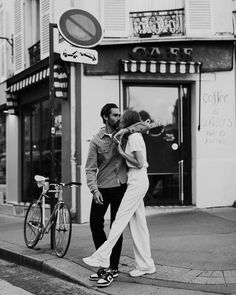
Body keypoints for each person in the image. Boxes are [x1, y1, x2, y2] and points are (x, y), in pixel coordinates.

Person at [85, 104, 155, 287]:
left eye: (120, 115)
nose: (118, 118)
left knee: (118, 224)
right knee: (95, 223)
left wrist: (125, 128)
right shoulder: (96, 141)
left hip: (122, 187)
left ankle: (111, 268)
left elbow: (144, 125)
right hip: (103, 187)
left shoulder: (126, 133)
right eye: (115, 115)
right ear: (105, 117)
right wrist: (94, 190)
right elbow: (90, 169)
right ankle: (105, 262)